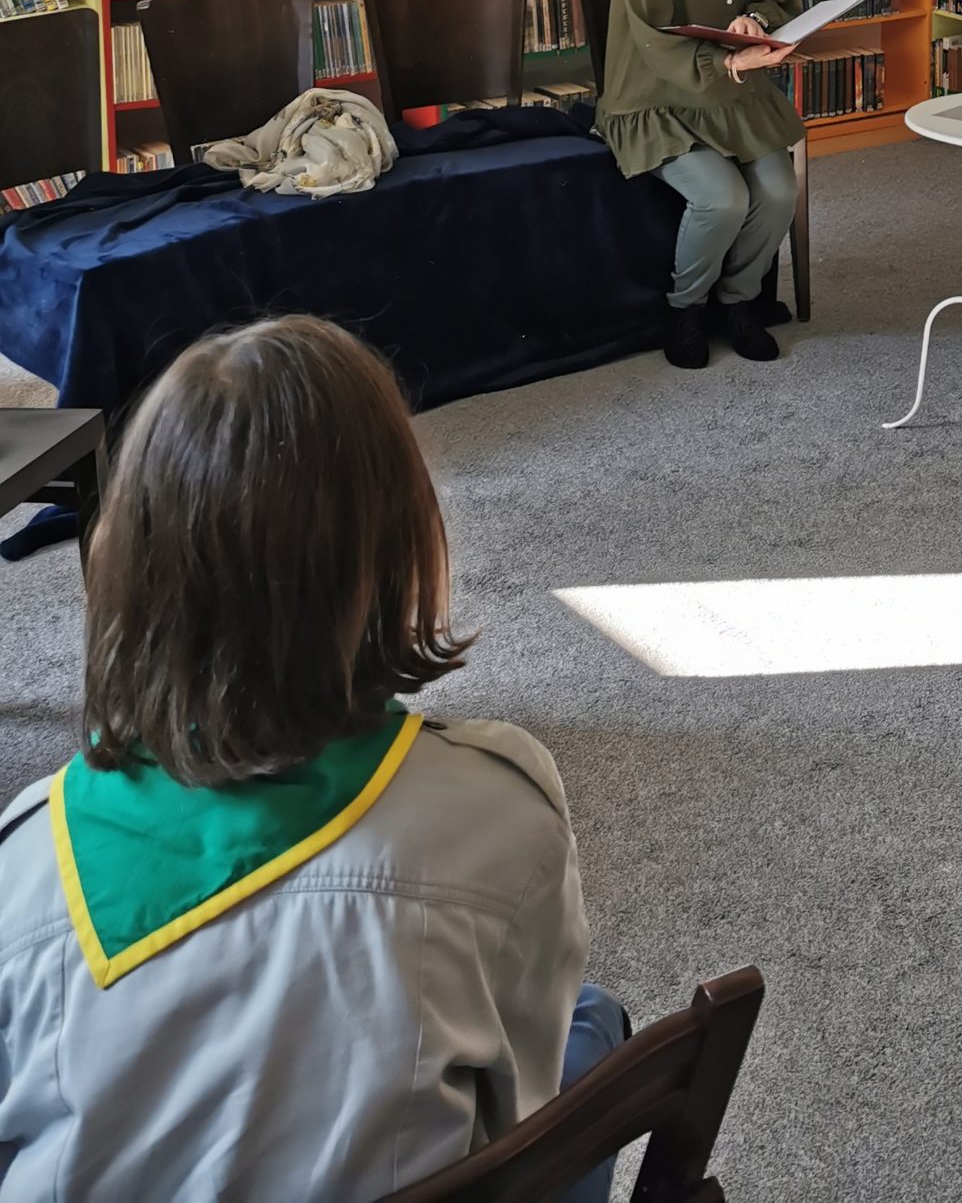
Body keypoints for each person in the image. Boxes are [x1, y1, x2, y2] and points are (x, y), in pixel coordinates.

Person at [0, 316, 624, 1203]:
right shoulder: (501, 808)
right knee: (594, 1020)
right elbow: (517, 1114)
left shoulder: (23, 865)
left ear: (127, 558)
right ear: (396, 543)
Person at [597, 0, 803, 367]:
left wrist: (756, 21)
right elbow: (649, 25)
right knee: (722, 198)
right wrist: (726, 62)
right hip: (657, 95)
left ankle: (739, 303)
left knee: (779, 191)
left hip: (736, 92)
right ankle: (686, 309)